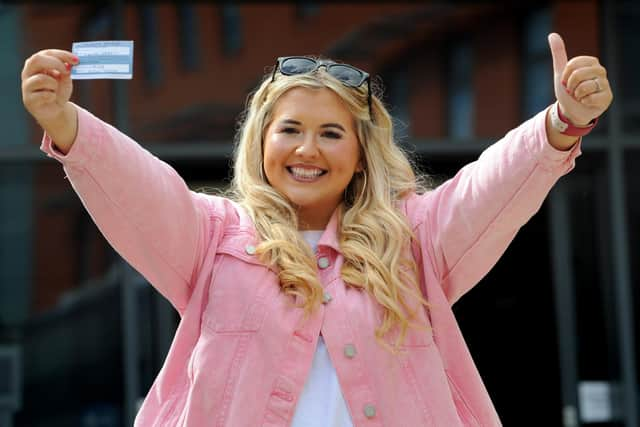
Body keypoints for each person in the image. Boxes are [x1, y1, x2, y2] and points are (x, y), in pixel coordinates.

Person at [21, 32, 612, 426]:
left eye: (331, 133)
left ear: (360, 153)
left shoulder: (413, 238)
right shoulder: (213, 236)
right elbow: (138, 187)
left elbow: (493, 187)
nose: (308, 149)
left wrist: (560, 124)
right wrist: (65, 121)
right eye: (290, 130)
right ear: (262, 142)